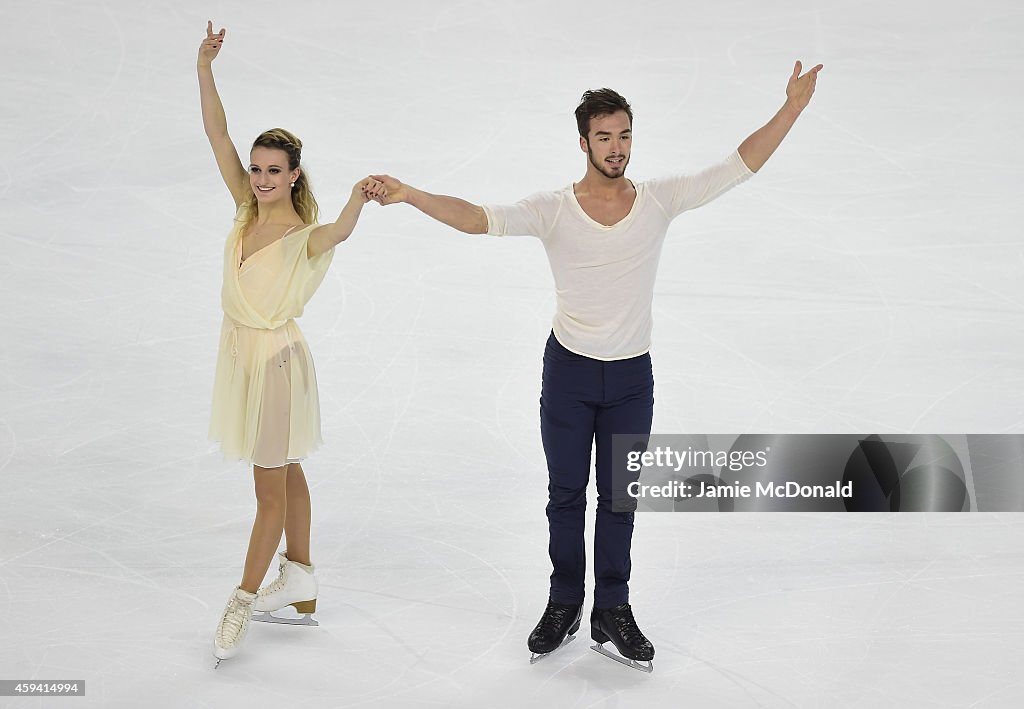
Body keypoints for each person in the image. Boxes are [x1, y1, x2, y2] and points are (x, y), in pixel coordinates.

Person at [370, 61, 822, 671]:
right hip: (570, 375)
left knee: (620, 499)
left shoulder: (659, 199)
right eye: (604, 137)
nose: (617, 148)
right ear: (583, 142)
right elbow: (480, 218)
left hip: (632, 378)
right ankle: (564, 603)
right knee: (565, 495)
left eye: (625, 135)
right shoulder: (555, 209)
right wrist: (411, 194)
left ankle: (613, 609)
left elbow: (737, 166)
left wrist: (791, 109)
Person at [197, 21, 386, 667]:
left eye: (272, 170)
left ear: (294, 173)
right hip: (244, 358)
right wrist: (204, 68)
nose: (259, 178)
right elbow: (217, 135)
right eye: (255, 169)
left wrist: (361, 198)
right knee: (288, 469)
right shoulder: (246, 209)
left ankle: (244, 597)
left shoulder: (300, 229)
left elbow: (338, 232)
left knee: (269, 489)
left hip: (275, 363)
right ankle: (300, 576)